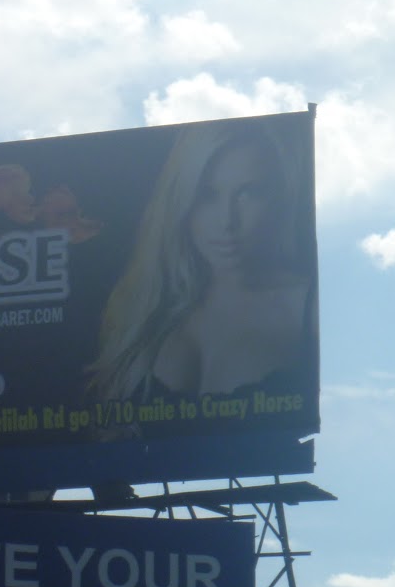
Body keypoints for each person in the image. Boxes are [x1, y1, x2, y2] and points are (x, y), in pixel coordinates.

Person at [88, 115, 316, 403]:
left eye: (248, 193)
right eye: (207, 195)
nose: (227, 221)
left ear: (281, 197)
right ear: (180, 200)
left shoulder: (307, 308)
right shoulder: (142, 304)